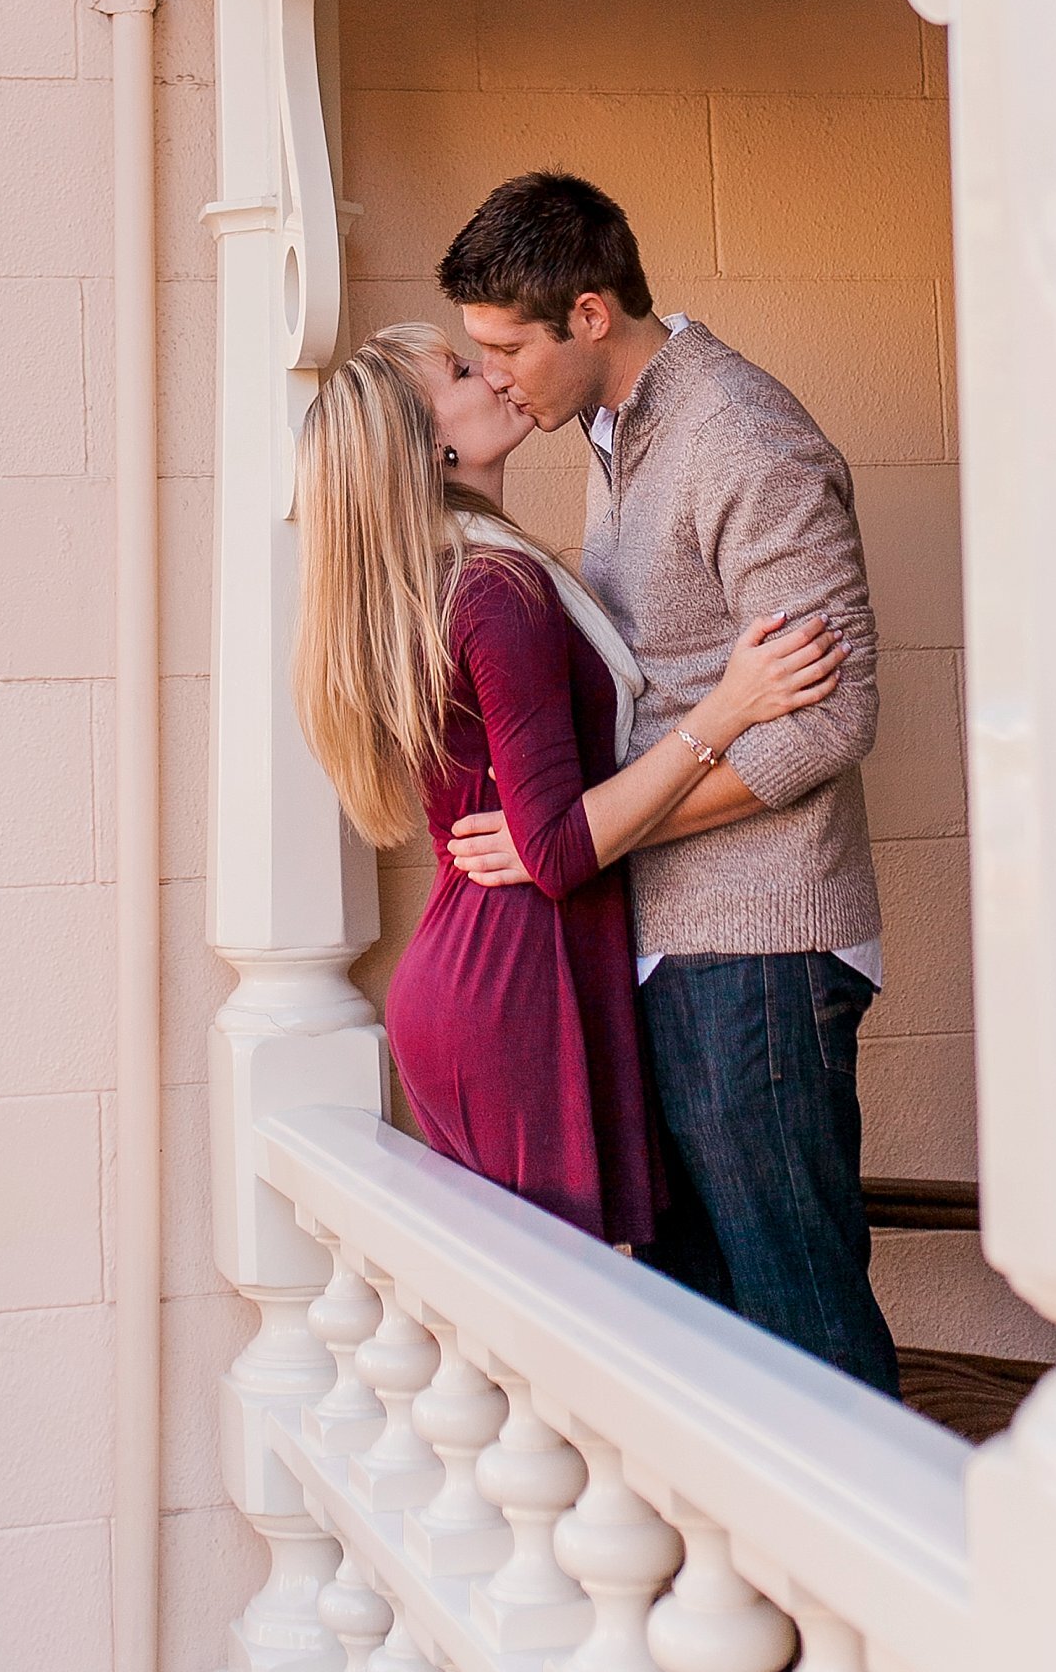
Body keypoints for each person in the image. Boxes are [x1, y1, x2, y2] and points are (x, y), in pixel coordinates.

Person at [439, 172, 901, 1396]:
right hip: (678, 946)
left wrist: (589, 835)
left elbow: (831, 719)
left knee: (801, 1331)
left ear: (588, 316)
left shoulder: (739, 437)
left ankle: (856, 1583)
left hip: (760, 950)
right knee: (712, 1336)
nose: (492, 381)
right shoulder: (612, 434)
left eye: (505, 351)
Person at [292, 321, 845, 1245]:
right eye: (464, 372)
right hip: (512, 983)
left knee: (544, 1319)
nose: (496, 375)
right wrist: (731, 706)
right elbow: (551, 851)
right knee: (550, 1323)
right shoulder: (495, 590)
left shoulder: (450, 579)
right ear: (437, 445)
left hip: (484, 972)